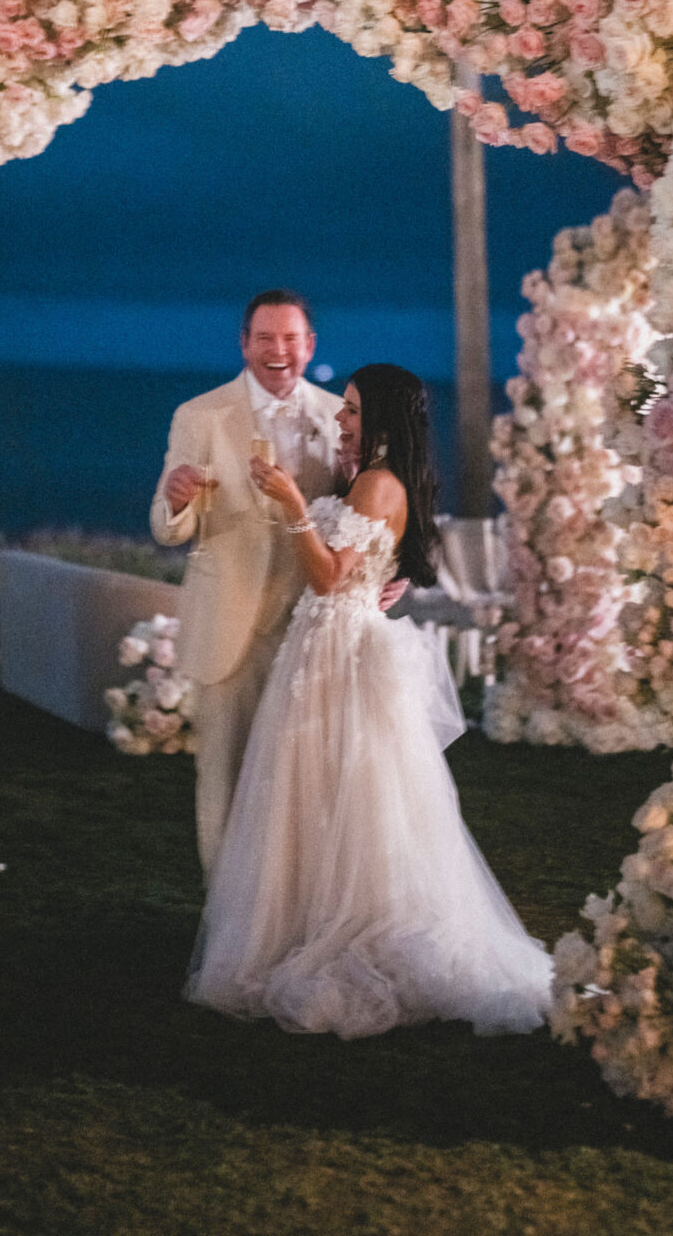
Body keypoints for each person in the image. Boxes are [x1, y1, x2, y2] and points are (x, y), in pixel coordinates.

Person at [187, 364, 553, 1038]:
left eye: (353, 410)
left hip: (337, 650)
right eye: (345, 408)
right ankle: (307, 917)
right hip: (322, 647)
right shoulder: (369, 479)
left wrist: (294, 505)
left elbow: (328, 580)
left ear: (383, 418)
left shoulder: (378, 485)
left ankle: (347, 929)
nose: (343, 419)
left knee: (343, 791)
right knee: (318, 792)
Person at [149, 290, 344, 880]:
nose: (277, 351)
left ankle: (294, 909)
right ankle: (226, 922)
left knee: (310, 778)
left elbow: (370, 509)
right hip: (229, 624)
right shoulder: (199, 415)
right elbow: (165, 526)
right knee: (225, 781)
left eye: (290, 338)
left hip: (311, 626)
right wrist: (176, 499)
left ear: (310, 346)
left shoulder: (341, 417)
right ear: (244, 344)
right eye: (264, 338)